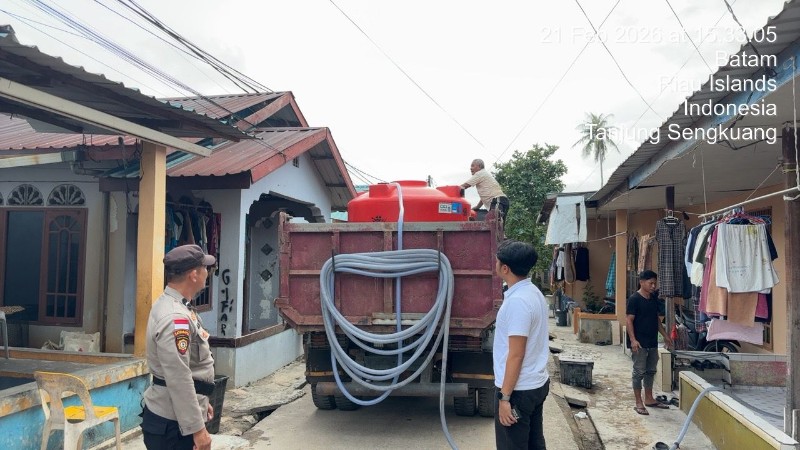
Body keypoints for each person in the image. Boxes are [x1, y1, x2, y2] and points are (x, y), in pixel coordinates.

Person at [141, 244, 217, 450]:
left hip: (175, 417)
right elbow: (178, 377)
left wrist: (201, 402)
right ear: (193, 274)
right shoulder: (175, 318)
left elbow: (191, 370)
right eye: (205, 268)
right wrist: (198, 430)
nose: (207, 273)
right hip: (173, 426)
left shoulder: (177, 305)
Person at [493, 240, 550, 450]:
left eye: (497, 261)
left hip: (519, 390)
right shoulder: (533, 293)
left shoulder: (518, 302)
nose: (495, 263)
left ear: (505, 268)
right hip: (535, 384)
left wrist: (505, 397)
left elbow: (516, 354)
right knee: (535, 443)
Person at [626, 270, 673, 416]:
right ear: (641, 282)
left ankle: (649, 398)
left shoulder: (653, 298)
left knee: (650, 371)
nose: (653, 286)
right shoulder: (634, 299)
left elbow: (656, 319)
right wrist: (633, 340)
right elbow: (629, 320)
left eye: (654, 283)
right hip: (639, 343)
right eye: (650, 283)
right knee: (639, 371)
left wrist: (665, 335)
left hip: (652, 341)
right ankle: (638, 402)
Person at [461, 158, 509, 223]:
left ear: (479, 166)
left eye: (472, 166)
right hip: (501, 201)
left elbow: (465, 185)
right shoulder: (484, 175)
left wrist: (452, 190)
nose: (470, 168)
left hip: (497, 201)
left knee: (493, 224)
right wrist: (478, 206)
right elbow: (485, 196)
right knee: (498, 228)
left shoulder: (479, 174)